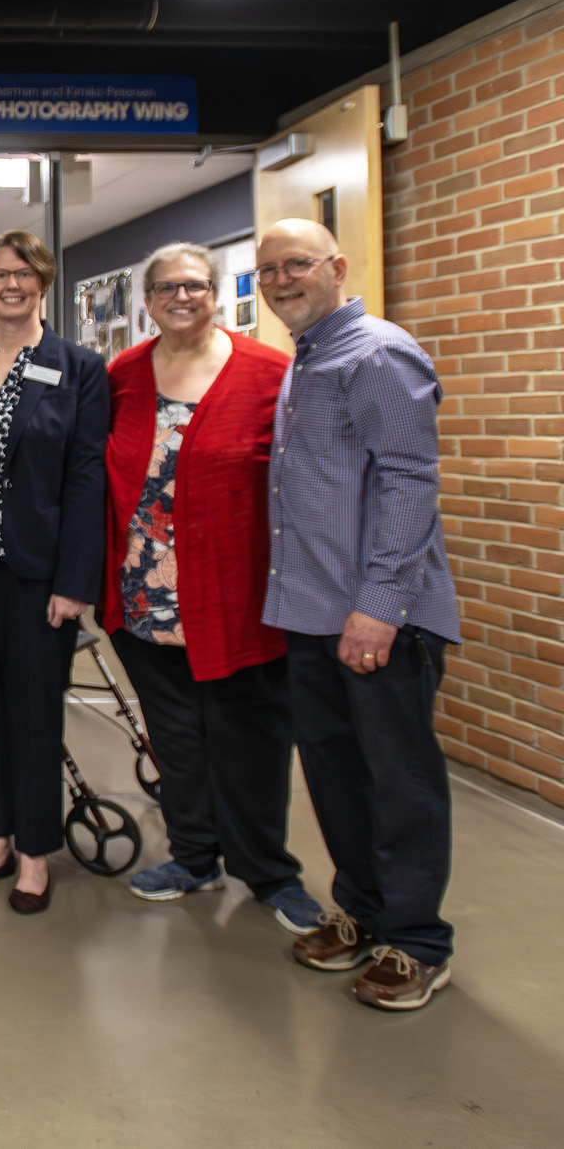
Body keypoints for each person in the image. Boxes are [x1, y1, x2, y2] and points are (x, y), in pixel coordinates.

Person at [256, 217, 461, 1011]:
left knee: (398, 781)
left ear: (337, 266)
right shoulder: (307, 361)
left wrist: (378, 607)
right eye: (270, 268)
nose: (281, 280)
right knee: (337, 776)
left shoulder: (377, 352)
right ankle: (365, 912)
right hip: (311, 613)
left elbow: (411, 482)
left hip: (379, 620)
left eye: (297, 264)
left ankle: (416, 942)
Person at [101, 243, 321, 933]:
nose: (181, 296)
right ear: (148, 299)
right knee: (176, 738)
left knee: (249, 738)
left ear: (217, 292)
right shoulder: (124, 375)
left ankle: (269, 872)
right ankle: (194, 856)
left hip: (237, 597)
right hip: (144, 599)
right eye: (165, 286)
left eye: (194, 284)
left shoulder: (270, 373)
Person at [0, 231, 106, 915]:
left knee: (35, 712)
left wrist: (75, 580)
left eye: (24, 273)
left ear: (43, 280)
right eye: (1, 273)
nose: (12, 285)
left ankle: (36, 851)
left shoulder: (78, 367)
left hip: (38, 574)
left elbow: (86, 479)